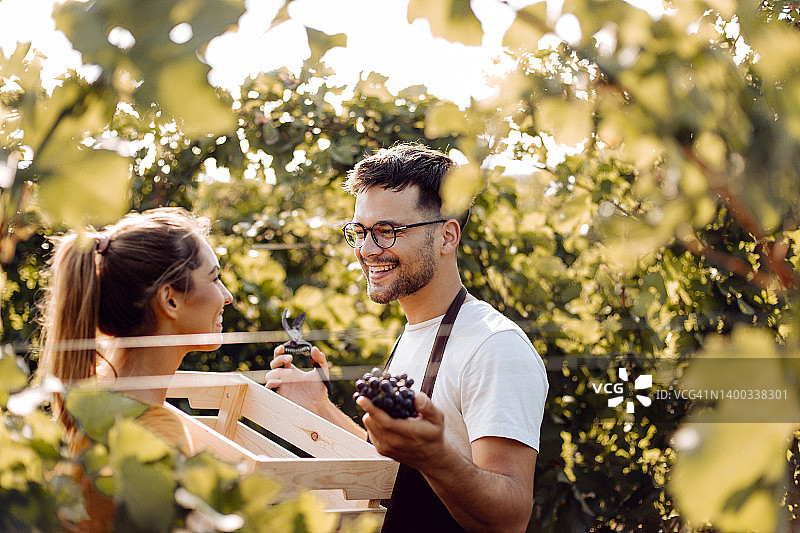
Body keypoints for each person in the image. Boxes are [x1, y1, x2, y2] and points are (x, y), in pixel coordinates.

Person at [266, 143, 548, 532]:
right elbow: (397, 470)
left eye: (386, 231)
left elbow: (510, 517)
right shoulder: (416, 331)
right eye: (360, 232)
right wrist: (320, 407)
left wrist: (435, 456)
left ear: (447, 237)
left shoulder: (494, 346)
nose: (366, 250)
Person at [37, 207, 233, 532]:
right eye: (214, 277)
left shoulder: (97, 400)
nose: (226, 296)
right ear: (170, 300)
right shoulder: (155, 432)